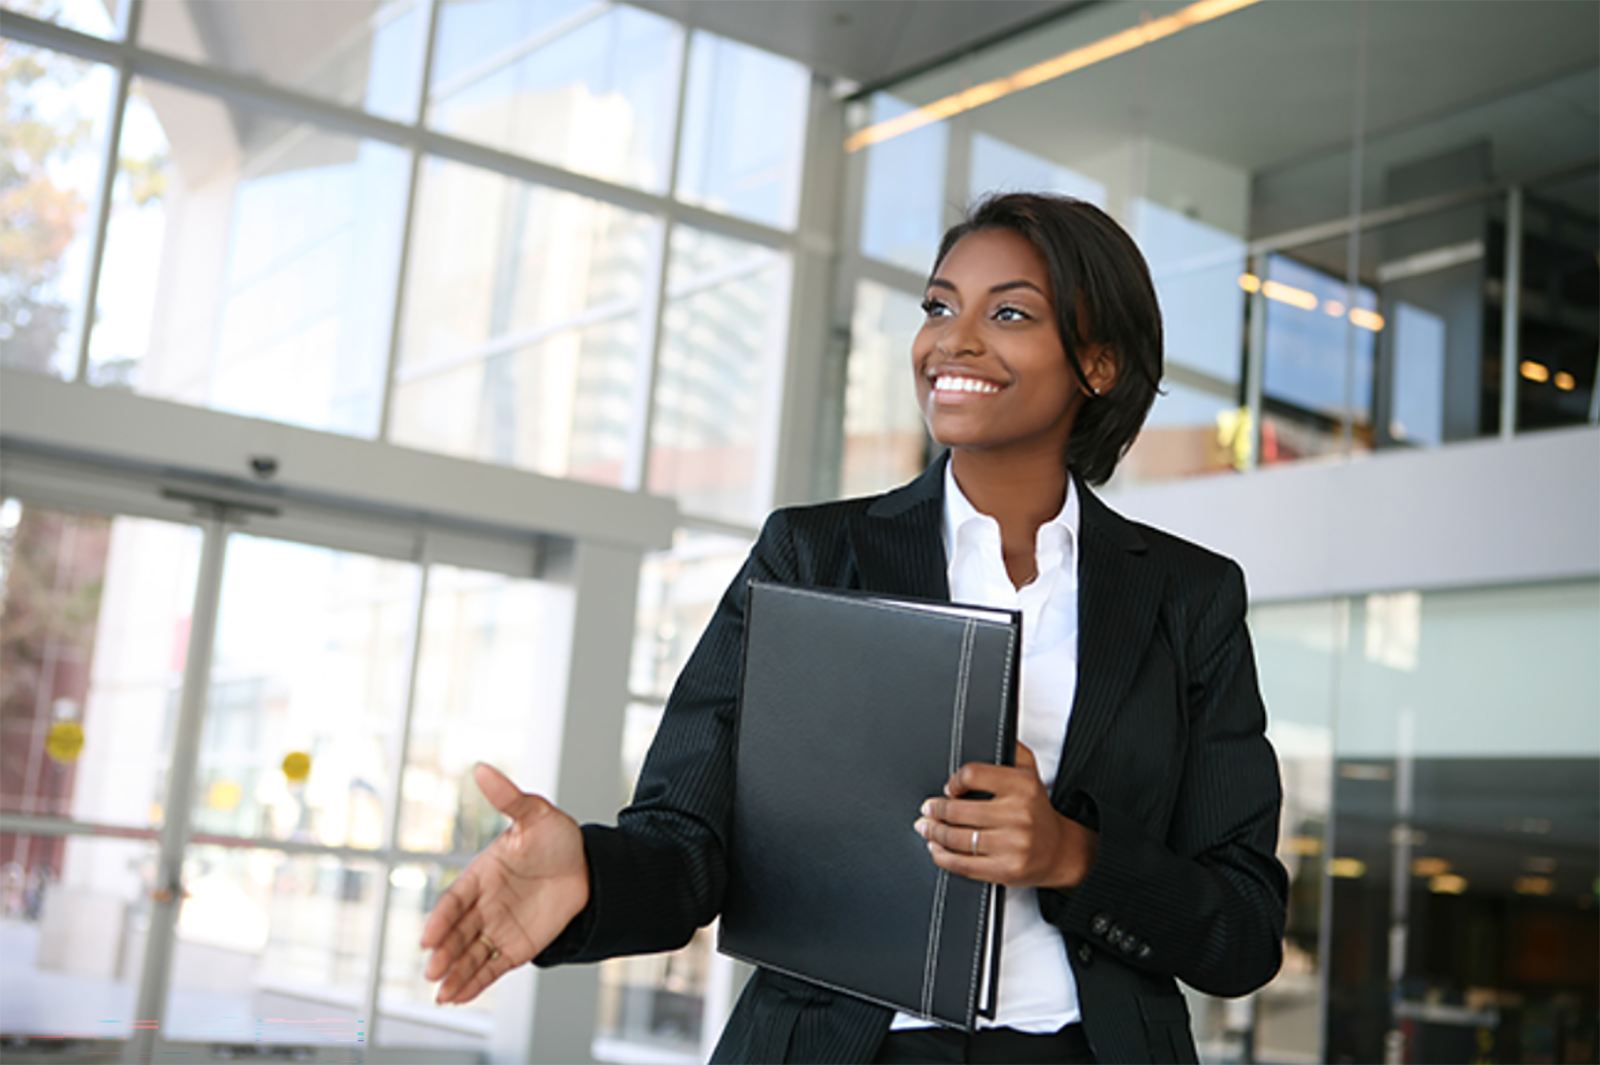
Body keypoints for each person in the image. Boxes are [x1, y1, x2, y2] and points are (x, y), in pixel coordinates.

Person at [421, 193, 1289, 1065]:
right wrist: (589, 878)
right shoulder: (810, 554)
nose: (953, 340)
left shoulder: (1189, 597)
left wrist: (1071, 854)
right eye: (940, 306)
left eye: (1011, 312)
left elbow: (1244, 928)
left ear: (1098, 363)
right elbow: (689, 839)